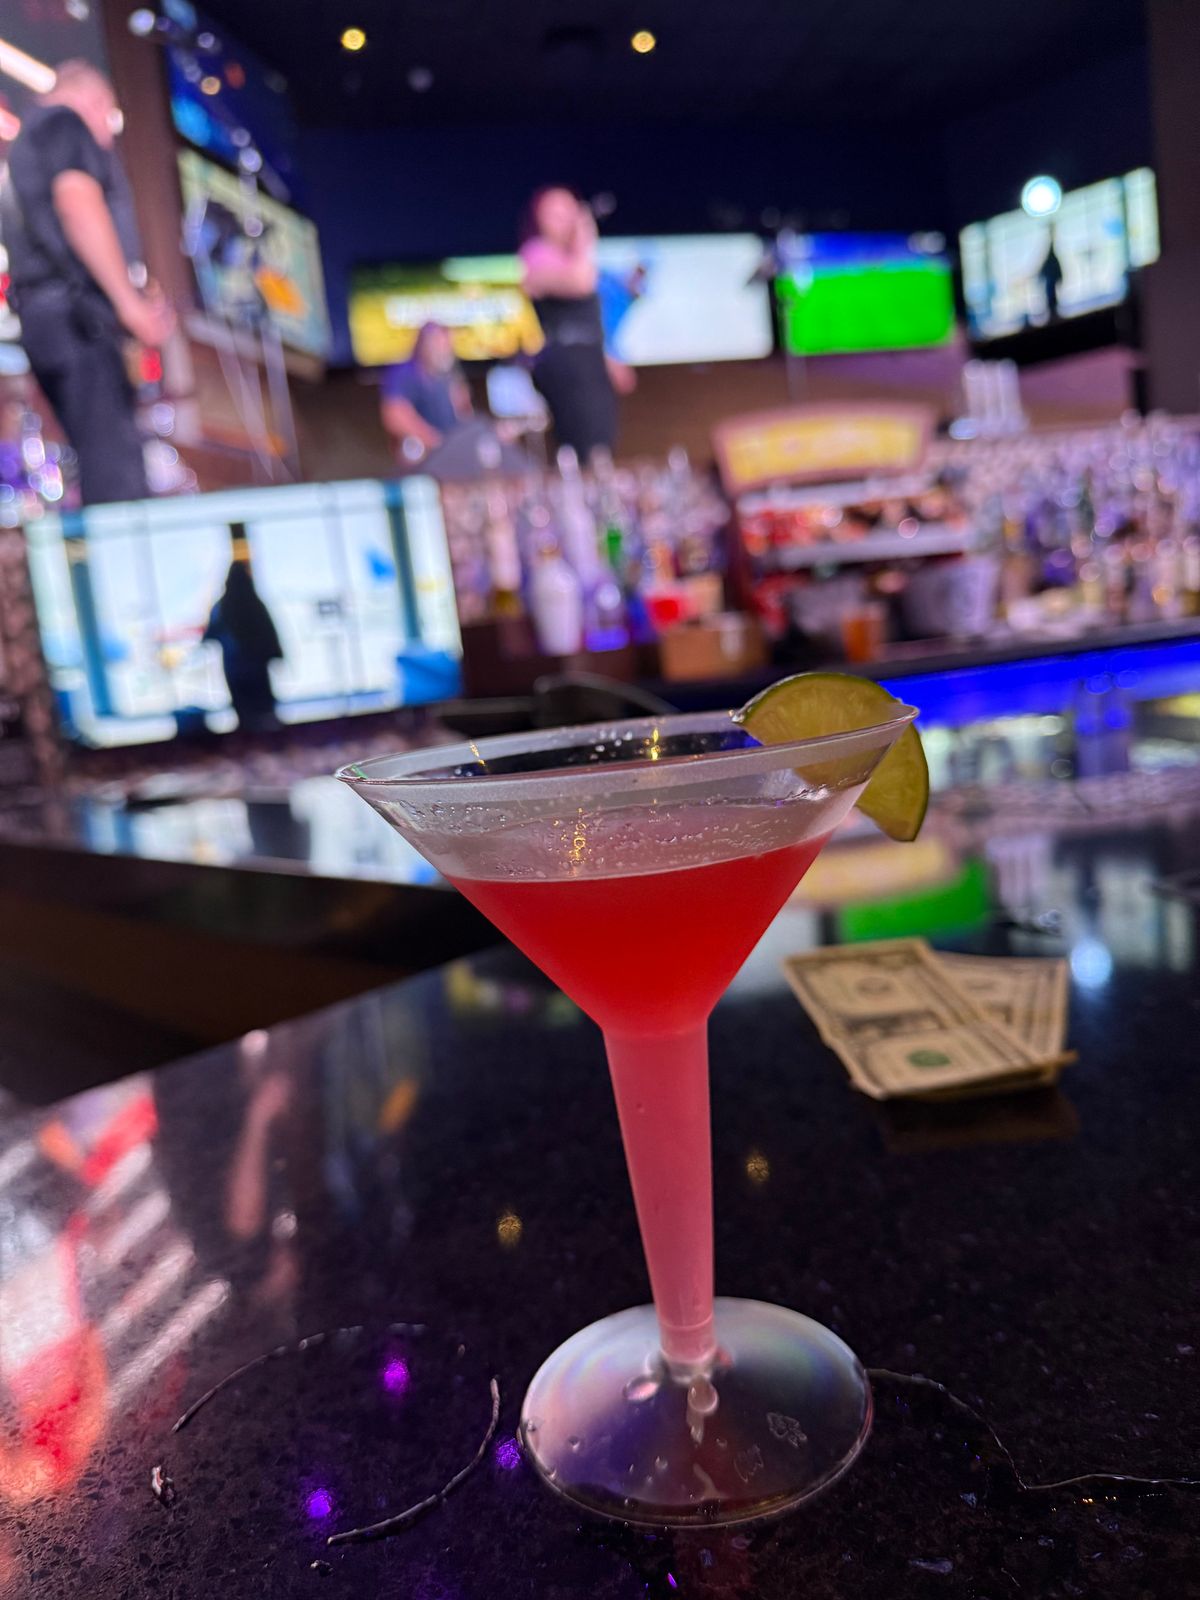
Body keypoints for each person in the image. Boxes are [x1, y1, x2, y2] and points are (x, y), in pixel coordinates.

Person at [0, 61, 174, 505]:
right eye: (109, 117)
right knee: (117, 473)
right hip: (76, 319)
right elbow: (77, 205)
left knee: (102, 460)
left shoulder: (26, 144)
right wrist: (129, 305)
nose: (107, 136)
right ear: (96, 102)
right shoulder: (64, 123)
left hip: (45, 319)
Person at [518, 186, 619, 461]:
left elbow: (590, 320)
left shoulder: (572, 257)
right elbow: (580, 281)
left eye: (569, 211)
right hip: (567, 367)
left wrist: (609, 358)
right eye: (554, 214)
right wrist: (585, 239)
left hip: (592, 363)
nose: (565, 220)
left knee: (603, 442)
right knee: (584, 446)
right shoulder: (536, 253)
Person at [204, 557, 284, 733]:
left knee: (244, 710)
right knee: (262, 709)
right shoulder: (254, 603)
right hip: (256, 665)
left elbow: (210, 635)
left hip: (234, 667)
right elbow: (268, 631)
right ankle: (268, 740)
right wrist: (275, 653)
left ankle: (251, 740)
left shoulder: (221, 606)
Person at [380, 321, 473, 461]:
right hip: (421, 456)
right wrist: (437, 443)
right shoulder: (403, 372)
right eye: (439, 345)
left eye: (447, 345)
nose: (445, 350)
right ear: (424, 344)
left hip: (452, 454)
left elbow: (465, 413)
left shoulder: (449, 375)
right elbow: (395, 415)